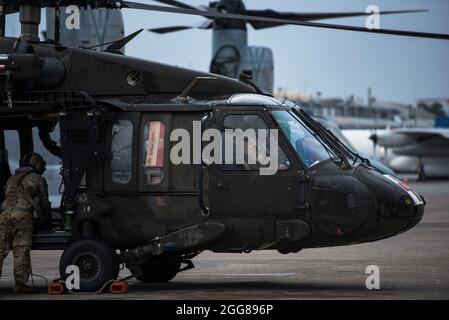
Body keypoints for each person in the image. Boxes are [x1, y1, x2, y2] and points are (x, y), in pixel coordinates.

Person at [0, 152, 50, 293]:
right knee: (20, 249)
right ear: (38, 165)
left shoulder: (11, 179)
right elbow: (45, 203)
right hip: (22, 217)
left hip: (4, 216)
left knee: (0, 249)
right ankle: (20, 284)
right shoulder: (38, 178)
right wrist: (45, 219)